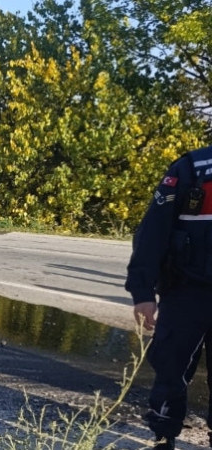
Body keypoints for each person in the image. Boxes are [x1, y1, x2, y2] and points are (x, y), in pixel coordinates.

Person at [126, 143, 212, 450]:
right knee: (170, 369)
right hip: (186, 291)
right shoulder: (191, 169)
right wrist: (142, 292)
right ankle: (163, 438)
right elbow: (153, 232)